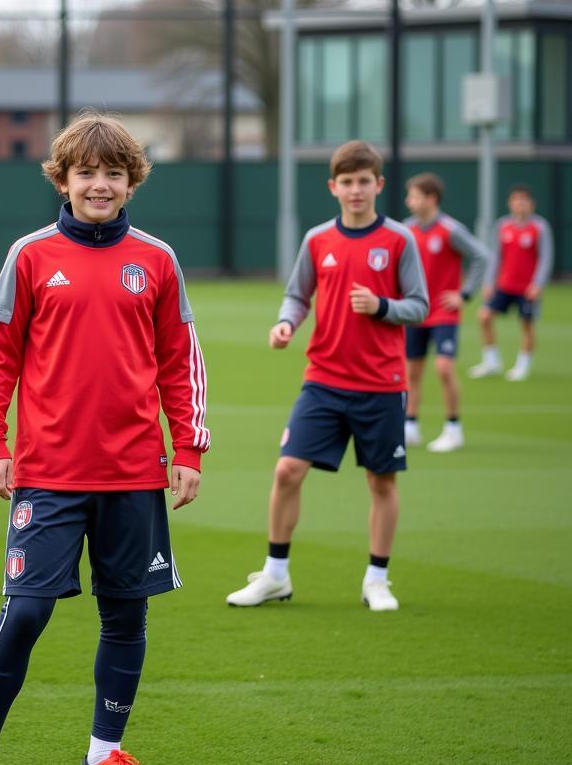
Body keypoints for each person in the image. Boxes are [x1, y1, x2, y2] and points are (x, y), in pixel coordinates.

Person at [0, 113, 210, 765]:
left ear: (132, 181)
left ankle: (104, 755)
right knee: (25, 612)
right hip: (48, 473)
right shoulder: (29, 255)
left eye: (114, 173)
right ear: (63, 178)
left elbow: (182, 361)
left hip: (135, 472)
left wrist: (189, 447)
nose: (100, 185)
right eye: (87, 172)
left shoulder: (158, 259)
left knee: (126, 615)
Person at [226, 140, 427, 613]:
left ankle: (377, 579)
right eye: (347, 182)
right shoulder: (318, 240)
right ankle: (275, 574)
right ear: (333, 187)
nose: (355, 191)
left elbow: (420, 305)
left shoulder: (399, 240)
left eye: (364, 182)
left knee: (381, 483)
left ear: (378, 185)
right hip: (323, 380)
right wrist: (285, 323)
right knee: (287, 470)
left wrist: (382, 307)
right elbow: (298, 295)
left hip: (381, 383)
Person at [402, 173, 488, 453]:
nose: (408, 201)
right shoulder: (406, 230)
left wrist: (464, 294)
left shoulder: (450, 230)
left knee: (444, 367)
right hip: (414, 312)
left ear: (431, 198)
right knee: (411, 371)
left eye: (413, 196)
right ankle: (410, 426)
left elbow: (481, 257)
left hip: (443, 312)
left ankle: (453, 428)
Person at [468, 185, 553, 382]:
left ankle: (522, 365)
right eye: (516, 200)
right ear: (510, 204)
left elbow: (545, 258)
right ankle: (491, 362)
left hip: (527, 288)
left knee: (526, 325)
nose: (520, 204)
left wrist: (537, 284)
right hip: (504, 285)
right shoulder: (503, 225)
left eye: (524, 200)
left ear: (531, 204)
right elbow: (495, 257)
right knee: (484, 317)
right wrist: (489, 282)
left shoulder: (539, 227)